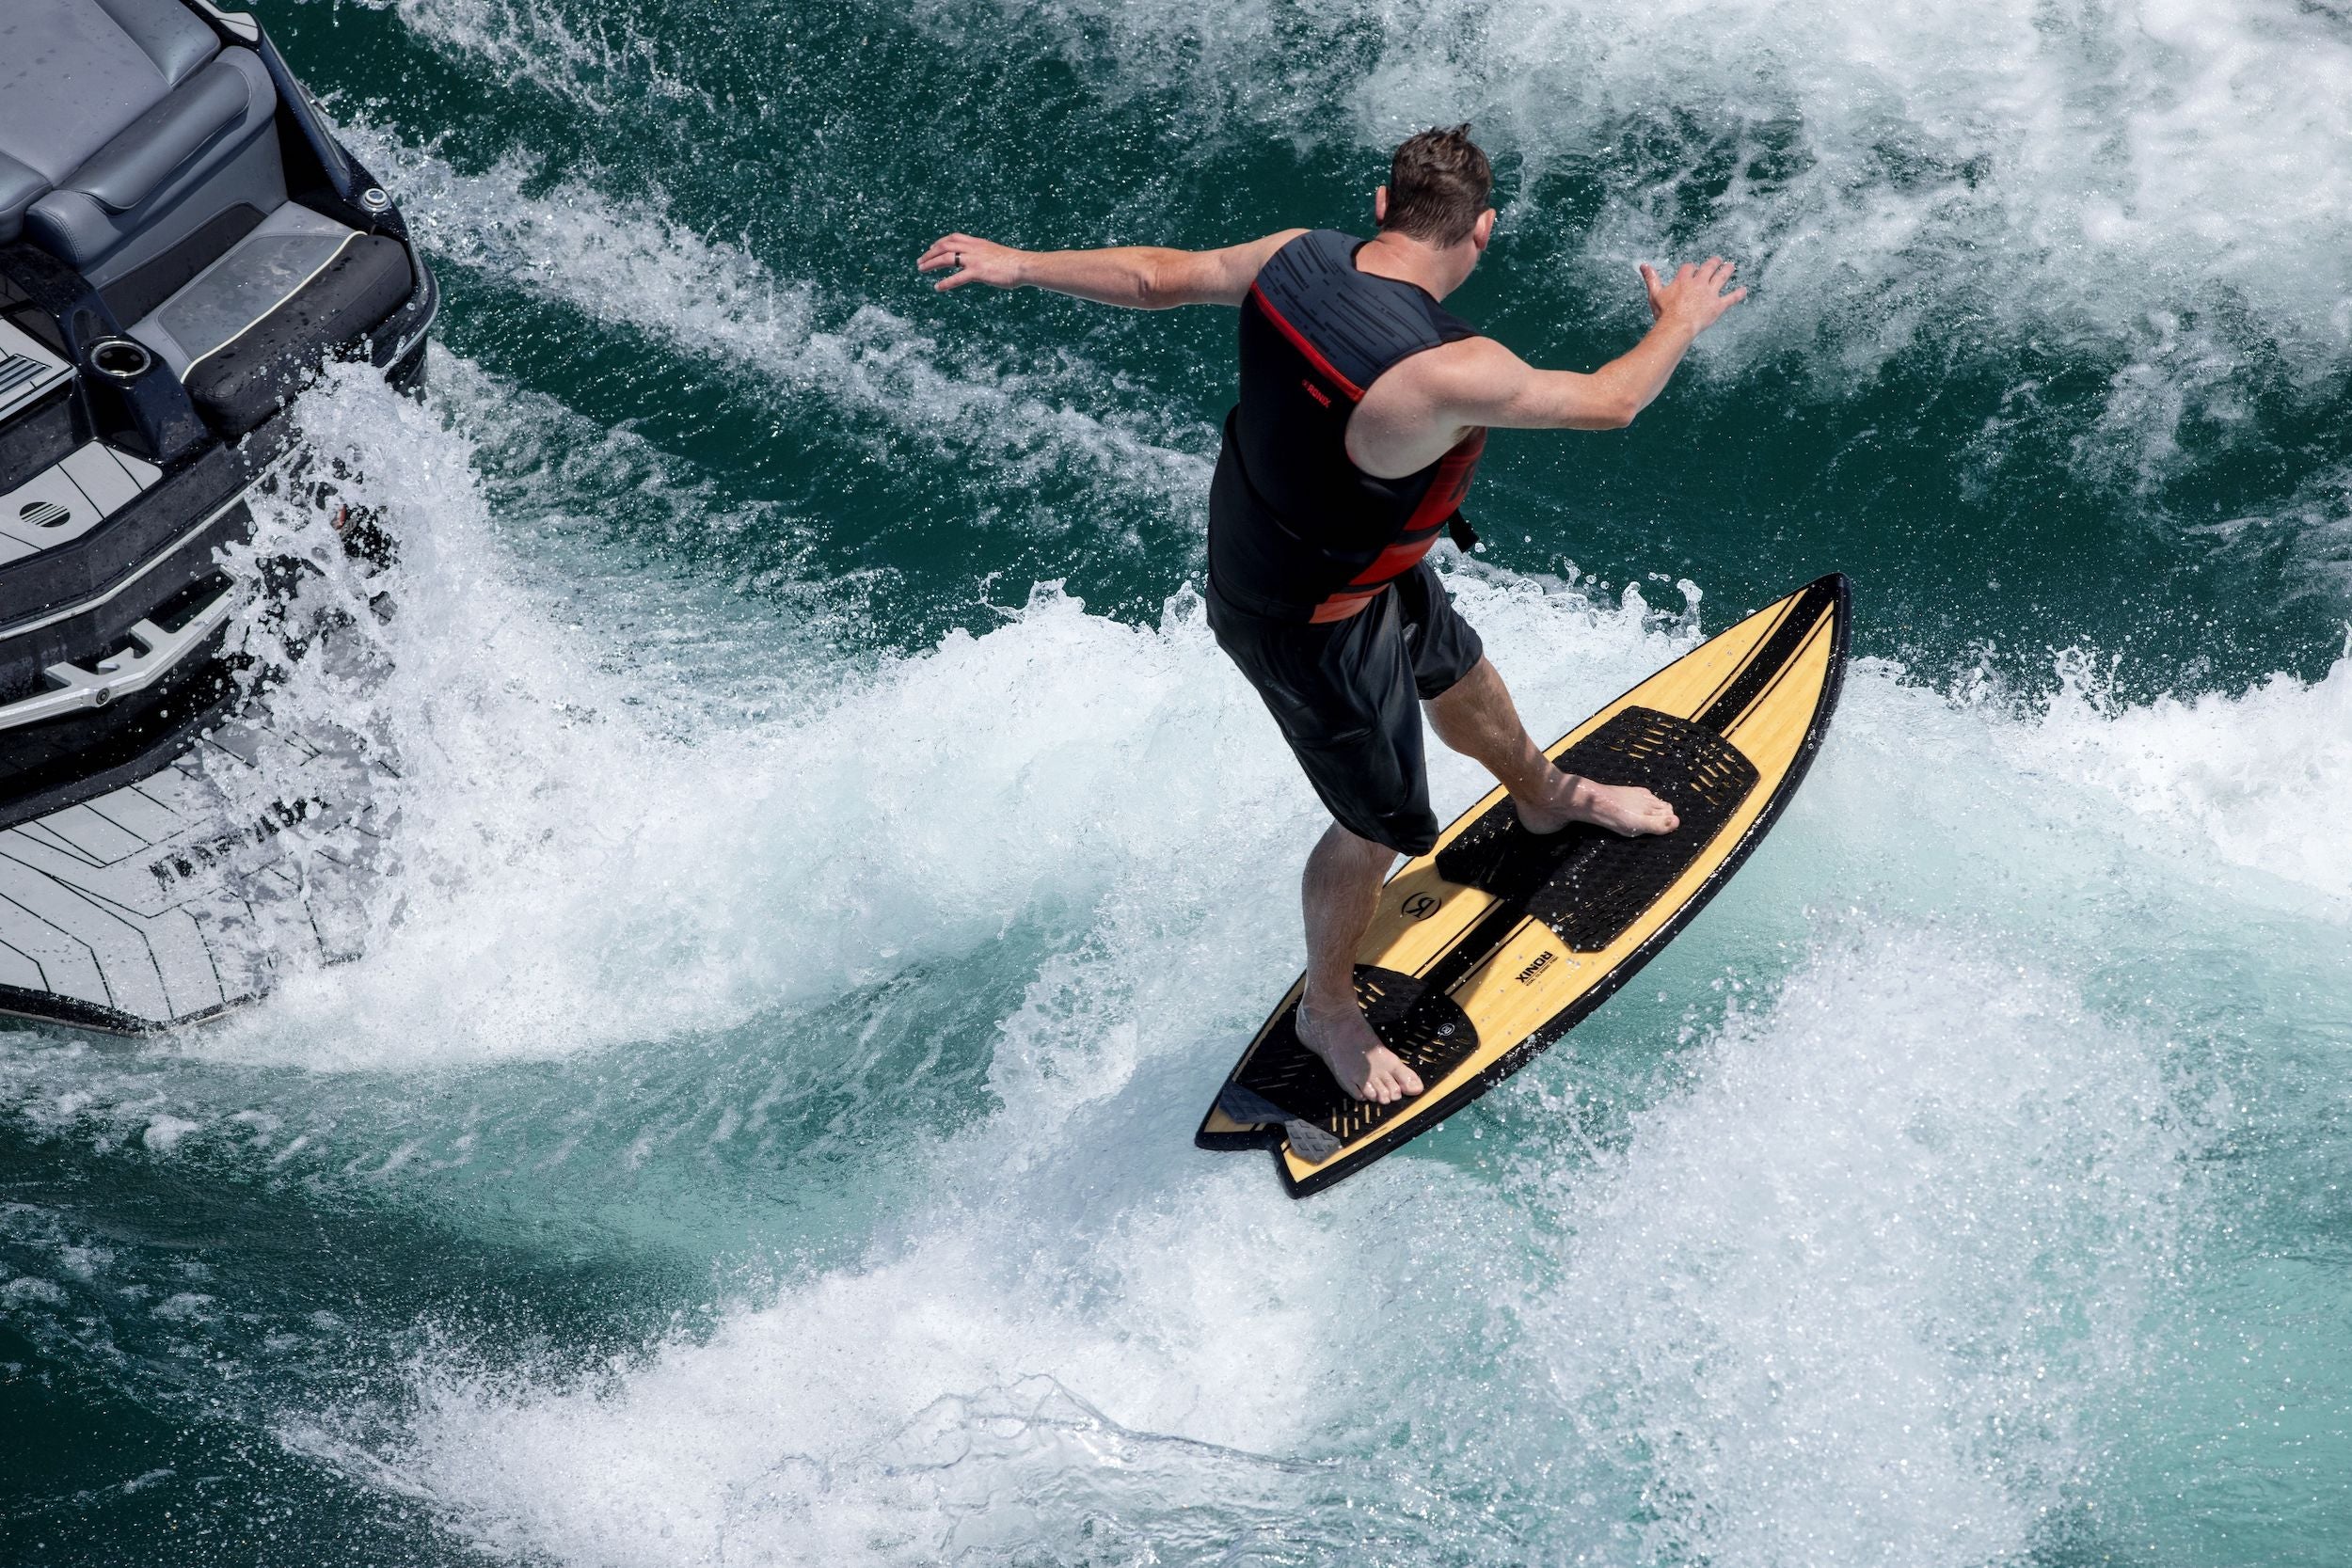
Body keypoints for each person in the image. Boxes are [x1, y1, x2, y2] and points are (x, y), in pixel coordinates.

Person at [919, 125, 1745, 1106]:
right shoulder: (1450, 368)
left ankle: (1544, 791)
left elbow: (1154, 277)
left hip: (1331, 552)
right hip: (1301, 617)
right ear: (1482, 230)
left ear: (1383, 205)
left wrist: (1018, 264)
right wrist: (1680, 319)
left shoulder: (1296, 259)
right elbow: (1612, 401)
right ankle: (1327, 1008)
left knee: (1460, 673)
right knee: (1371, 824)